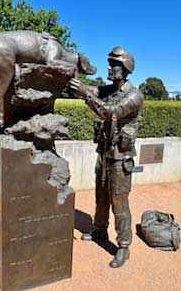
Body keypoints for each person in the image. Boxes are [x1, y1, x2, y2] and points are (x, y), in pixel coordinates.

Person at [69, 46, 144, 268]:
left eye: (114, 65)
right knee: (101, 194)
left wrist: (85, 94)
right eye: (110, 64)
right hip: (104, 152)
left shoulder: (135, 96)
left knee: (118, 201)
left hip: (121, 158)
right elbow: (91, 90)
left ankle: (123, 246)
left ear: (126, 68)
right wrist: (75, 80)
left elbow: (110, 113)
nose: (109, 68)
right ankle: (99, 230)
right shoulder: (109, 90)